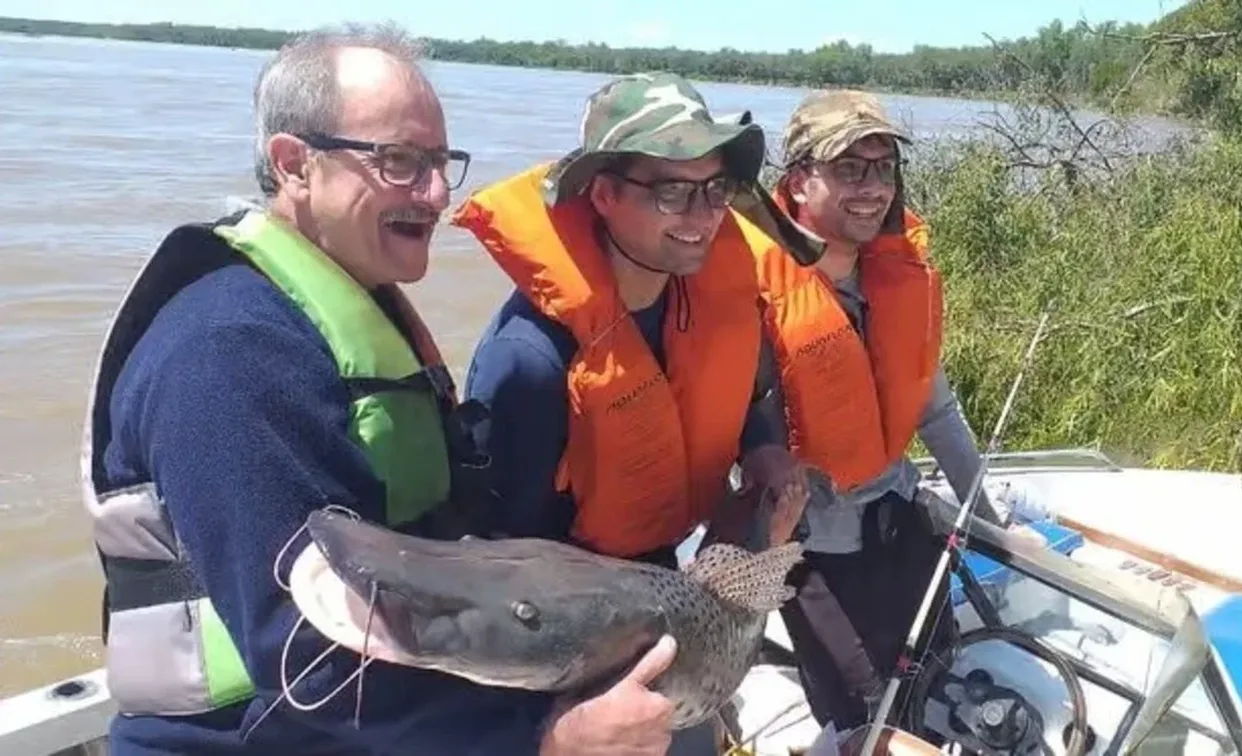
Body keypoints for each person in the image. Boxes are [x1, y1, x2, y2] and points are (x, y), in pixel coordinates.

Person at [81, 25, 672, 755]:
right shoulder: (229, 349)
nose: (432, 194)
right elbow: (304, 650)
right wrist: (543, 739)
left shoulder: (352, 307)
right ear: (294, 164)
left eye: (438, 163)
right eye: (397, 161)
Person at [450, 72, 815, 754]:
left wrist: (761, 447)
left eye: (714, 190)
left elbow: (739, 396)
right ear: (605, 195)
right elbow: (513, 577)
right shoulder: (529, 363)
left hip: (674, 581)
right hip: (584, 642)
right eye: (672, 190)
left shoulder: (704, 293)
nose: (701, 215)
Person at [745, 90, 1004, 733]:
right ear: (798, 182)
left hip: (904, 526)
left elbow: (937, 413)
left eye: (883, 168)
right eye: (850, 168)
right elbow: (746, 449)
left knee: (938, 682)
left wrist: (995, 529)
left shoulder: (896, 279)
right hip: (818, 559)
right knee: (868, 716)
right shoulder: (752, 296)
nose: (873, 188)